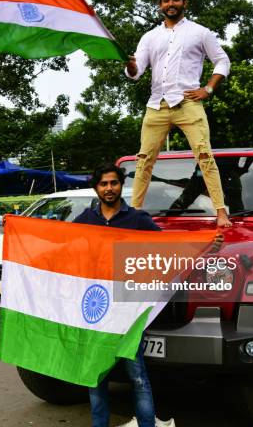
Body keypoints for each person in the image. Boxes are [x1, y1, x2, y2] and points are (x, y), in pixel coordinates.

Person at [73, 163, 175, 427]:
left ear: (121, 185)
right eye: (104, 184)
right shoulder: (86, 219)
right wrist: (17, 228)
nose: (109, 188)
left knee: (138, 376)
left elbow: (168, 248)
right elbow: (61, 245)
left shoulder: (138, 220)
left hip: (128, 310)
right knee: (96, 377)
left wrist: (210, 243)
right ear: (96, 187)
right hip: (95, 310)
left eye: (114, 183)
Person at [126, 0, 233, 228]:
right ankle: (134, 214)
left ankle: (221, 213)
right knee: (143, 159)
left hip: (188, 102)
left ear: (184, 2)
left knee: (205, 155)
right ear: (160, 5)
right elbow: (136, 71)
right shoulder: (150, 37)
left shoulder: (200, 32)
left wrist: (208, 89)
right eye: (166, 0)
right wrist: (130, 66)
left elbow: (222, 61)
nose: (170, 4)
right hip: (156, 105)